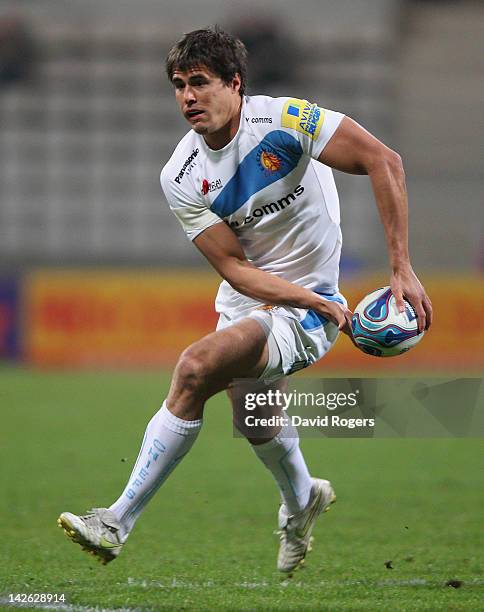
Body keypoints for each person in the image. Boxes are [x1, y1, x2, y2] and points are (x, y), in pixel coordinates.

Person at [58, 27, 432, 574]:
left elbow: (385, 161)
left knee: (194, 368)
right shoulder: (180, 176)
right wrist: (301, 297)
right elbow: (234, 267)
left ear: (235, 84)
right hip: (259, 296)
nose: (188, 96)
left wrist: (401, 268)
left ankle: (115, 521)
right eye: (180, 85)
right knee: (255, 417)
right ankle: (304, 498)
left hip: (312, 306)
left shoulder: (286, 120)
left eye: (201, 83)